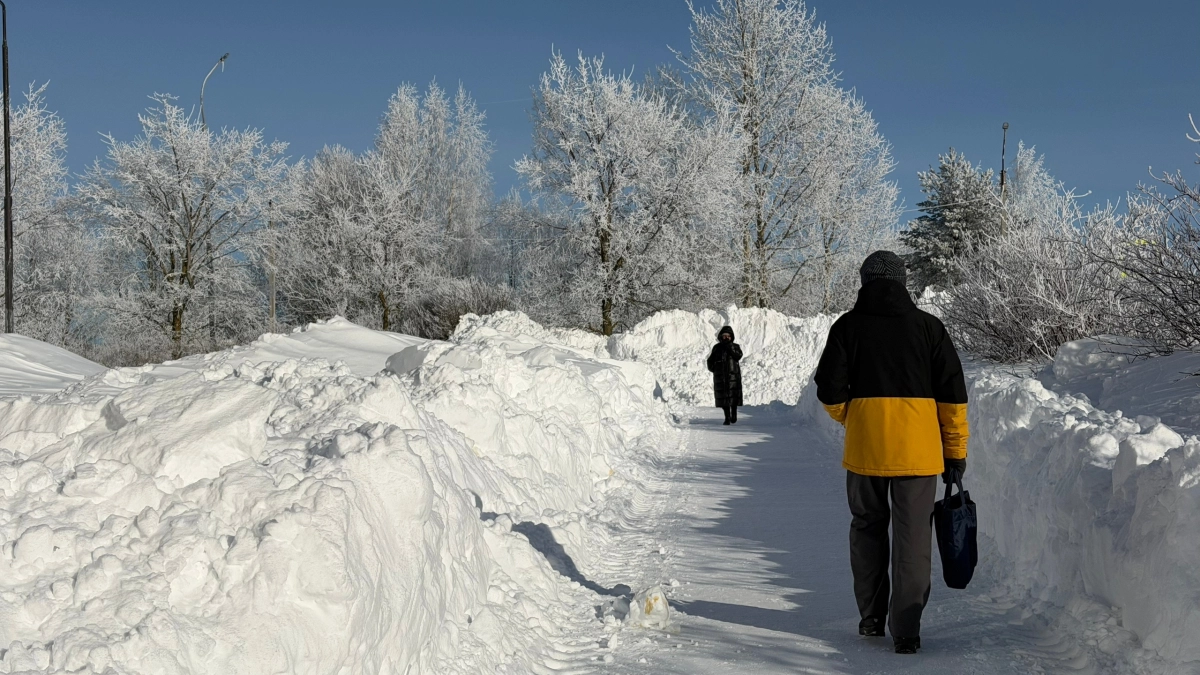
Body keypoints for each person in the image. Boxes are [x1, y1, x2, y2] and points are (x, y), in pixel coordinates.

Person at [812, 250, 969, 655]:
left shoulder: (847, 327)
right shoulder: (929, 328)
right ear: (903, 282)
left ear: (865, 281)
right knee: (913, 540)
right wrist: (955, 453)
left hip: (866, 451)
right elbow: (953, 399)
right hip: (918, 456)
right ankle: (907, 631)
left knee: (867, 530)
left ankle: (870, 619)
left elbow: (829, 389)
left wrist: (853, 418)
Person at [706, 325, 743, 425]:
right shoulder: (717, 348)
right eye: (724, 336)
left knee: (733, 398)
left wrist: (730, 347)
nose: (726, 338)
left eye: (728, 336)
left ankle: (734, 414)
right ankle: (727, 417)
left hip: (733, 377)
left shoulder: (735, 346)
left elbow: (738, 356)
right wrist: (714, 369)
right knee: (724, 399)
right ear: (721, 336)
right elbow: (710, 361)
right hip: (721, 377)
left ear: (731, 337)